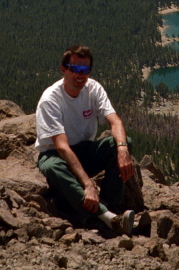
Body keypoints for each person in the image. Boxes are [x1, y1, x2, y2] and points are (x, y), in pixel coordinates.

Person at [35, 45, 135, 234]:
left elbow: (115, 121)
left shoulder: (93, 88)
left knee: (122, 142)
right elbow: (62, 147)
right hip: (56, 154)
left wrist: (122, 149)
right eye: (75, 69)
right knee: (52, 167)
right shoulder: (51, 99)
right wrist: (88, 184)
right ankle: (103, 217)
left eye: (86, 70)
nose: (81, 75)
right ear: (64, 69)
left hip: (84, 150)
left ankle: (112, 203)